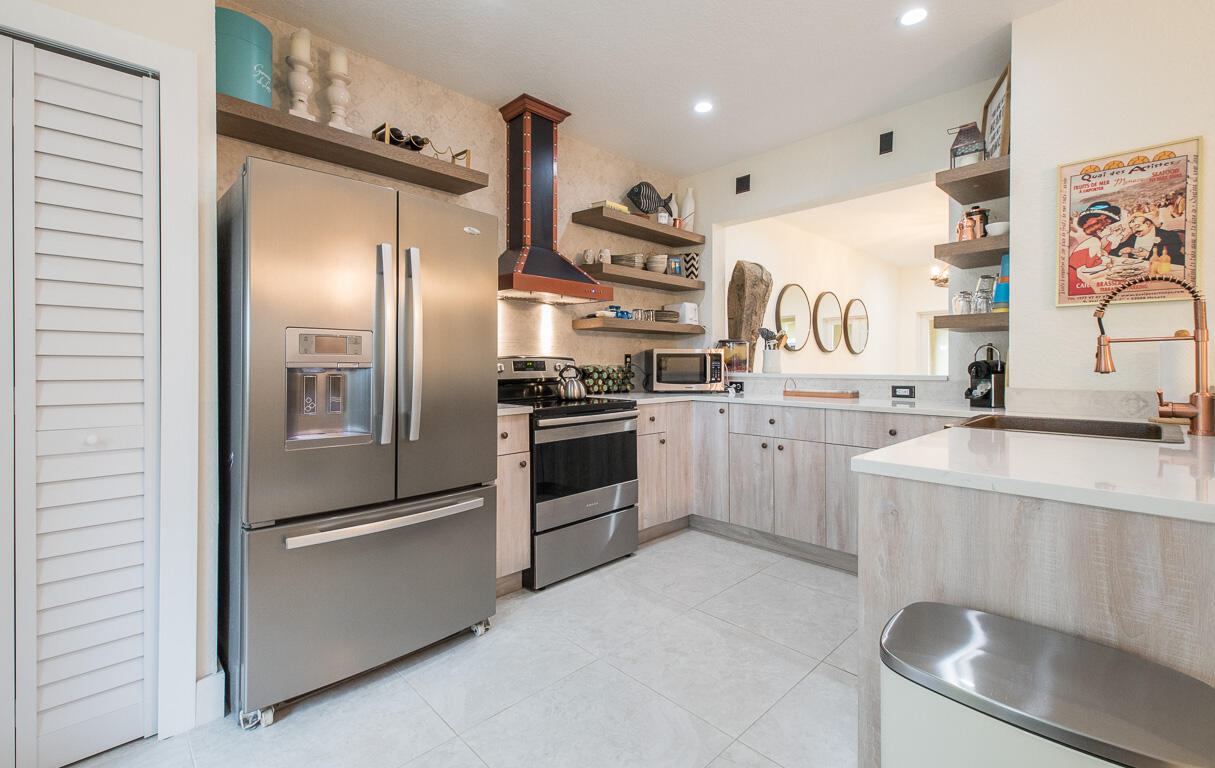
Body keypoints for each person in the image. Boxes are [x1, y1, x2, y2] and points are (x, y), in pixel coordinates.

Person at [1068, 201, 1121, 295]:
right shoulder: (1093, 240)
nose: (1108, 228)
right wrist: (1106, 261)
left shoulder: (1094, 238)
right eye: (1105, 226)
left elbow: (1098, 253)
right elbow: (1091, 264)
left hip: (1077, 272)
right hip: (1075, 277)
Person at [1109, 213, 1185, 269]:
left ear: (1148, 224)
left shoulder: (1169, 235)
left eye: (1137, 226)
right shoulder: (1132, 237)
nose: (1134, 231)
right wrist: (1121, 251)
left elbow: (1175, 257)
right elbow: (1112, 251)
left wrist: (1148, 254)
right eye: (1132, 228)